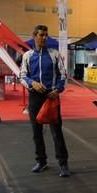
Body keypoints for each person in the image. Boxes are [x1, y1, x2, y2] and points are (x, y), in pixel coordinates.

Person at [20, 25, 71, 177]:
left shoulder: (55, 54)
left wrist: (58, 90)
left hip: (52, 96)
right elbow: (22, 75)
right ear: (34, 36)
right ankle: (41, 161)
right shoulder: (27, 56)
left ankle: (63, 163)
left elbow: (63, 74)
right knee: (36, 132)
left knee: (57, 131)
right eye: (41, 35)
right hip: (35, 97)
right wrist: (32, 83)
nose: (44, 38)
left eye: (46, 35)